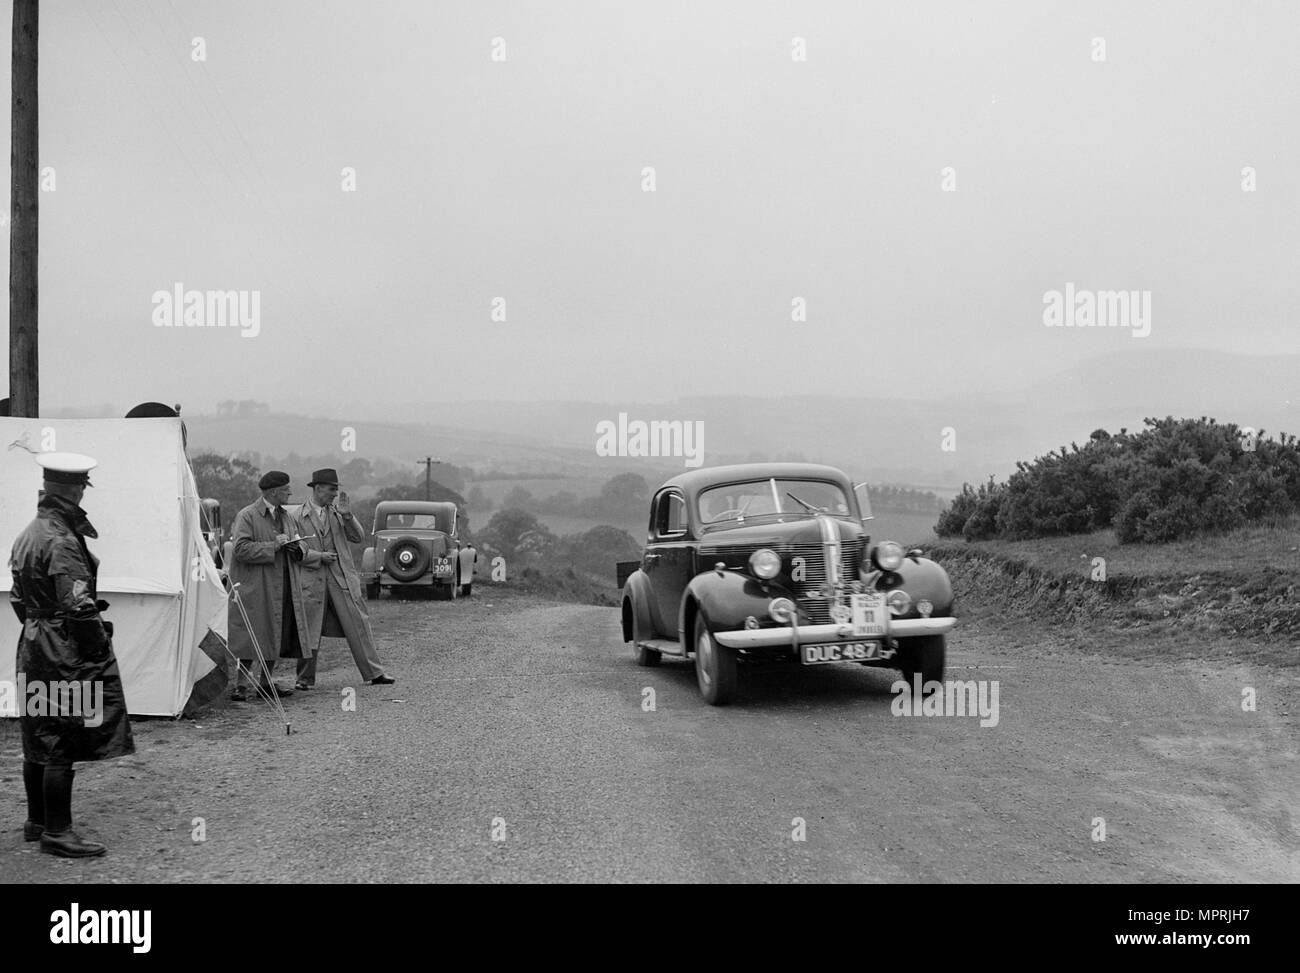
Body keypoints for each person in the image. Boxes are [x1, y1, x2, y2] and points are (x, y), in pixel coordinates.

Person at [9, 452, 134, 858]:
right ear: (75, 490)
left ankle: (37, 821)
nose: (83, 493)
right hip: (63, 649)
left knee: (38, 734)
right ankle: (58, 832)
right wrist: (97, 645)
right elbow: (78, 605)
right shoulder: (62, 539)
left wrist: (38, 625)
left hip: (33, 642)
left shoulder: (29, 532)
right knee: (62, 737)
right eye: (82, 487)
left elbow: (17, 597)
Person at [290, 469, 395, 689]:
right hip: (311, 580)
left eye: (336, 490)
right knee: (309, 628)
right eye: (331, 489)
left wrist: (348, 516)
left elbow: (358, 537)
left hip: (342, 580)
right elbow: (295, 551)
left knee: (359, 623)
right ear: (317, 488)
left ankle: (374, 673)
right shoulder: (297, 516)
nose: (335, 494)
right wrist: (319, 557)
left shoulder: (339, 514)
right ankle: (304, 679)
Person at [226, 471, 313, 701]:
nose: (290, 493)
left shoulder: (287, 517)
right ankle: (241, 685)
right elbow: (241, 549)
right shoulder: (247, 516)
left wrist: (298, 548)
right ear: (274, 492)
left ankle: (266, 683)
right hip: (254, 587)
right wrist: (273, 545)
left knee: (275, 633)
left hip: (282, 586)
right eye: (286, 489)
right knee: (249, 634)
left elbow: (300, 543)